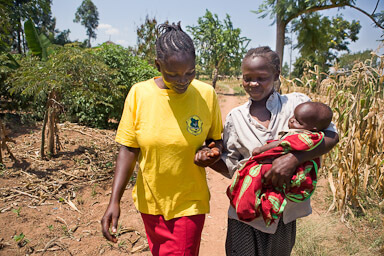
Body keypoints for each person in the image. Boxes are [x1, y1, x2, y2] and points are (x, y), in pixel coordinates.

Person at [100, 22, 223, 256]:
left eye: (190, 72)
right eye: (172, 74)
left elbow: (216, 141)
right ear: (158, 65)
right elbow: (128, 149)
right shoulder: (139, 94)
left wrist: (210, 153)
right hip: (151, 202)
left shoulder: (206, 95)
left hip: (189, 202)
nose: (182, 80)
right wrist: (113, 200)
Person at [208, 46, 339, 256]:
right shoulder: (236, 117)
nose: (253, 84)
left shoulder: (297, 104)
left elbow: (332, 136)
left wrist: (295, 158)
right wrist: (211, 160)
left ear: (276, 75)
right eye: (247, 77)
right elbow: (233, 165)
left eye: (261, 77)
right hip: (246, 213)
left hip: (283, 214)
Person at [227, 101, 333, 226]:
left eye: (298, 122)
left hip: (285, 203)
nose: (292, 121)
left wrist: (260, 150)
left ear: (313, 128)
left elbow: (282, 143)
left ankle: (246, 206)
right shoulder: (236, 114)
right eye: (293, 116)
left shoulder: (303, 135)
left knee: (253, 175)